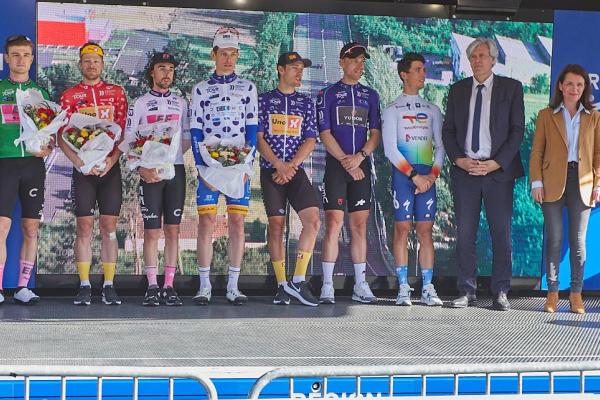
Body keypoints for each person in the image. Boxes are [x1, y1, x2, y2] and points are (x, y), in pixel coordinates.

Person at [442, 37, 524, 311]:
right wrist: (459, 160)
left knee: (501, 234)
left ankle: (500, 291)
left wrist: (496, 163)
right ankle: (467, 291)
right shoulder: (457, 90)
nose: (477, 60)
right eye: (473, 56)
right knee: (465, 234)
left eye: (482, 55)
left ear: (493, 59)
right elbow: (448, 131)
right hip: (466, 172)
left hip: (497, 174)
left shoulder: (512, 88)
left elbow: (517, 131)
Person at [190, 27, 258, 305]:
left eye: (233, 54)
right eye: (223, 54)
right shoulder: (200, 89)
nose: (228, 60)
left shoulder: (248, 88)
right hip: (210, 165)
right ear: (214, 55)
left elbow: (252, 129)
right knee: (206, 223)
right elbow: (195, 130)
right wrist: (201, 168)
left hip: (239, 165)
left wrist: (247, 166)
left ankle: (233, 286)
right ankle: (204, 286)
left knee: (237, 223)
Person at [58, 42, 128, 306]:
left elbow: (123, 131)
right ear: (80, 64)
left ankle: (109, 284)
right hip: (83, 170)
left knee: (109, 226)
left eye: (95, 61)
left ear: (102, 64)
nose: (91, 65)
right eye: (86, 61)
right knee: (84, 226)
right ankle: (85, 284)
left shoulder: (116, 93)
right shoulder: (69, 96)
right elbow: (61, 134)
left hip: (110, 169)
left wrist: (111, 161)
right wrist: (79, 163)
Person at [119, 52, 190, 307]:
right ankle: (151, 286)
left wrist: (168, 159)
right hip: (148, 173)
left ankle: (168, 286)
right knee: (151, 231)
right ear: (152, 72)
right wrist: (141, 168)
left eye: (170, 69)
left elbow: (186, 138)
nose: (167, 73)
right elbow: (128, 139)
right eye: (162, 68)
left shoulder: (181, 103)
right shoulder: (139, 103)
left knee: (173, 230)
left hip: (174, 172)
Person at [530, 64, 600, 314]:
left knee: (578, 241)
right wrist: (536, 182)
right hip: (552, 181)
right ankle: (552, 293)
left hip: (583, 183)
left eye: (579, 85)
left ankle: (576, 294)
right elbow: (537, 152)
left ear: (585, 88)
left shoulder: (594, 117)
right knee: (555, 239)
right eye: (570, 84)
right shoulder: (546, 115)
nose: (574, 89)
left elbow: (598, 154)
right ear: (561, 85)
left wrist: (598, 184)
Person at [317, 42, 381, 304]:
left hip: (361, 164)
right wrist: (347, 162)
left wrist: (360, 158)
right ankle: (327, 285)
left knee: (359, 225)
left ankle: (360, 285)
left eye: (362, 61)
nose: (359, 65)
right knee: (333, 223)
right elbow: (324, 133)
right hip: (337, 166)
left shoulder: (371, 95)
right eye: (354, 60)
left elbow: (375, 134)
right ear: (341, 62)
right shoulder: (327, 94)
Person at [257, 51, 321, 307]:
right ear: (280, 69)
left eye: (301, 69)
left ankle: (298, 280)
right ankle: (282, 285)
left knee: (313, 221)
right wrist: (278, 165)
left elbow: (310, 139)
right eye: (294, 68)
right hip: (270, 170)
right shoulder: (263, 100)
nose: (299, 73)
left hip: (294, 171)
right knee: (276, 226)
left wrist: (290, 167)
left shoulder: (305, 103)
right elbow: (259, 138)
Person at [381, 52, 445, 307]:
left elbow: (441, 146)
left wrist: (432, 176)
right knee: (402, 229)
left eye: (424, 69)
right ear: (404, 75)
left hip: (427, 179)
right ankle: (403, 287)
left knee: (425, 231)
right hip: (405, 177)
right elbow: (390, 150)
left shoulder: (433, 110)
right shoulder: (392, 110)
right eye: (418, 69)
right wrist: (415, 177)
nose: (423, 74)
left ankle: (428, 287)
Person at [0, 35, 51, 305]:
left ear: (32, 59)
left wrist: (48, 146)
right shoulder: (0, 89)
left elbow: (50, 131)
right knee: (1, 227)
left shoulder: (40, 94)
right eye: (15, 55)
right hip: (4, 164)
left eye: (25, 55)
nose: (21, 60)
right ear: (6, 58)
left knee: (31, 227)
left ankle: (22, 287)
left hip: (33, 165)